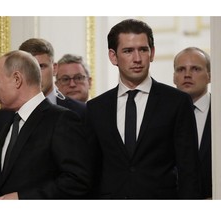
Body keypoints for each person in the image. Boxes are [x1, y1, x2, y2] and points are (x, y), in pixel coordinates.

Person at [85, 19, 201, 199]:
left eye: (143, 50)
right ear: (113, 56)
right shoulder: (96, 108)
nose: (137, 59)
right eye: (128, 51)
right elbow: (90, 170)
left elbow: (190, 170)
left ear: (152, 53)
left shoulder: (177, 102)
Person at [0, 50, 93, 199]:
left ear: (17, 79)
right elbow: (5, 187)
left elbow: (78, 181)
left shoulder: (62, 119)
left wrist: (22, 198)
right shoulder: (5, 121)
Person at [0, 38, 86, 171]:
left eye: (41, 66)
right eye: (30, 67)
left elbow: (80, 176)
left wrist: (22, 194)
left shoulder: (79, 112)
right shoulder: (1, 118)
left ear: (54, 68)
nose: (35, 73)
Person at [173, 47, 211, 199]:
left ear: (209, 75)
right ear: (174, 77)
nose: (187, 75)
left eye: (195, 69)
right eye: (181, 69)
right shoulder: (161, 114)